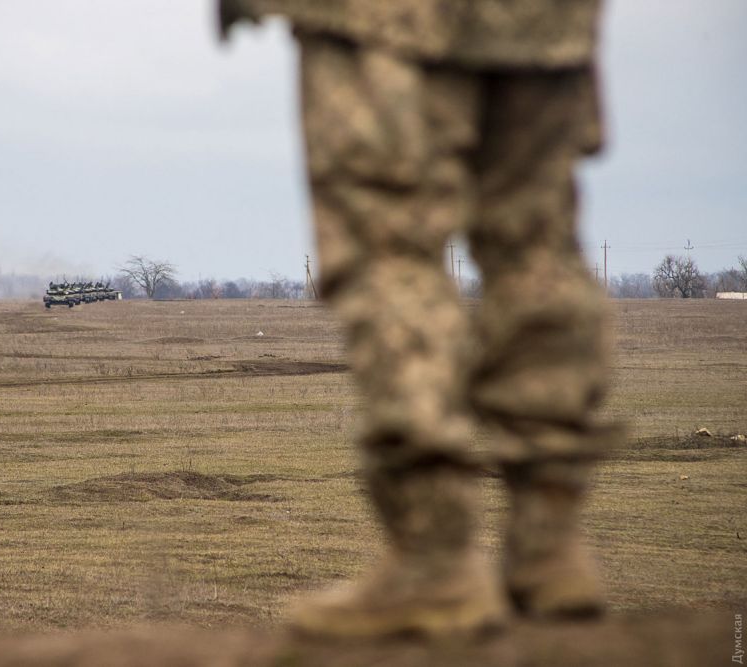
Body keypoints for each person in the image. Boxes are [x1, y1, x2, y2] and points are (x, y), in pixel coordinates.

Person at [219, 0, 621, 639]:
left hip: (382, 18)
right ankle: (550, 542)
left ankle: (436, 554)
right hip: (543, 21)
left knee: (390, 249)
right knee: (537, 246)